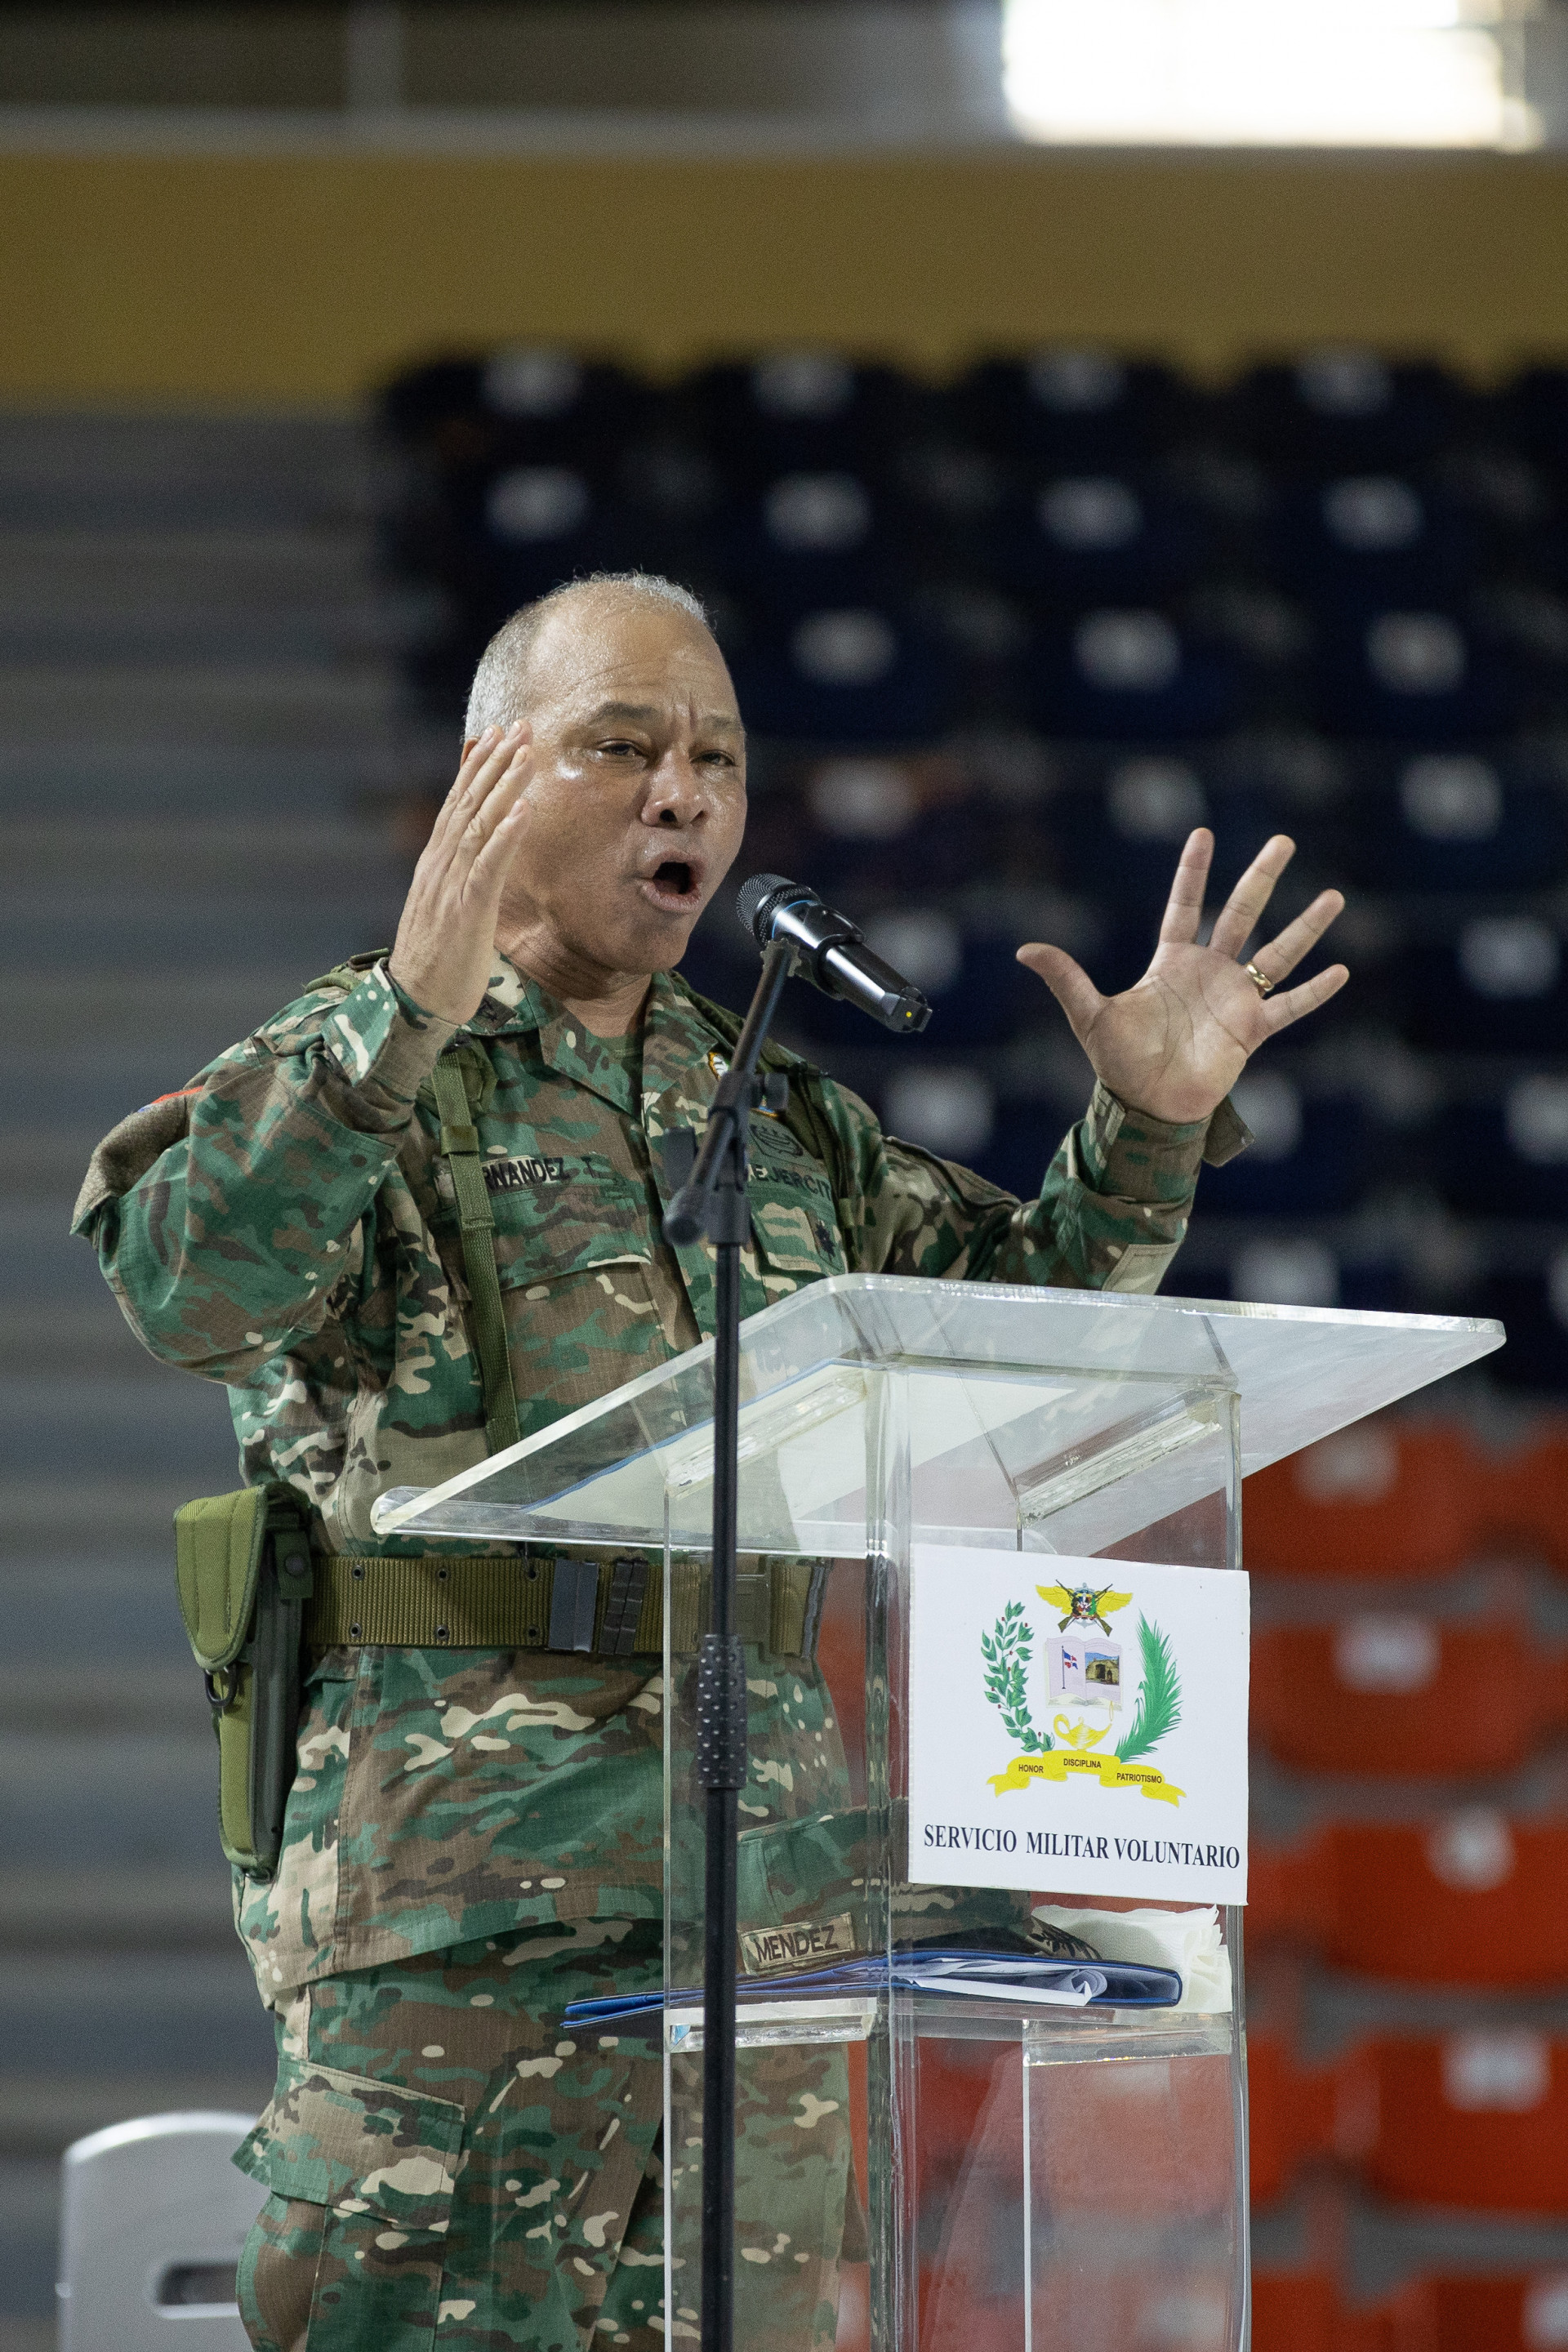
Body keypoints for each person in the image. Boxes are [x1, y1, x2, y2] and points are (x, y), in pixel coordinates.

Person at [74, 571, 1347, 2352]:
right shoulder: (362, 1065)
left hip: (774, 1922)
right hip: (471, 1931)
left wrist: (1147, 1127)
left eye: (718, 759)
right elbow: (191, 1288)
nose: (684, 793)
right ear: (489, 778)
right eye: (624, 747)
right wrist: (402, 1024)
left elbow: (1017, 1346)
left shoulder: (781, 1118)